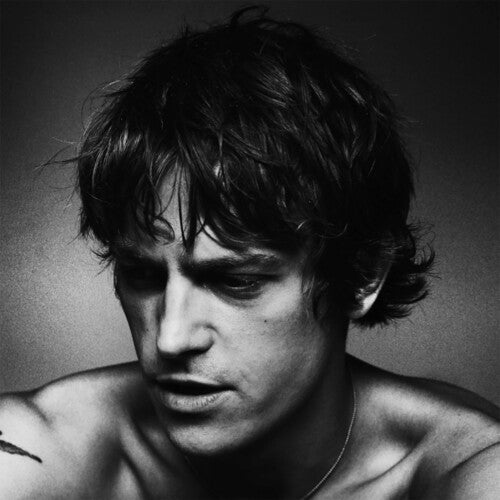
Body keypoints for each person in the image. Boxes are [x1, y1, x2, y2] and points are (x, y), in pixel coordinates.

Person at [0, 7, 498, 499]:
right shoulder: (48, 448)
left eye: (235, 280)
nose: (171, 338)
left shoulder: (467, 471)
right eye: (142, 275)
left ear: (363, 274)